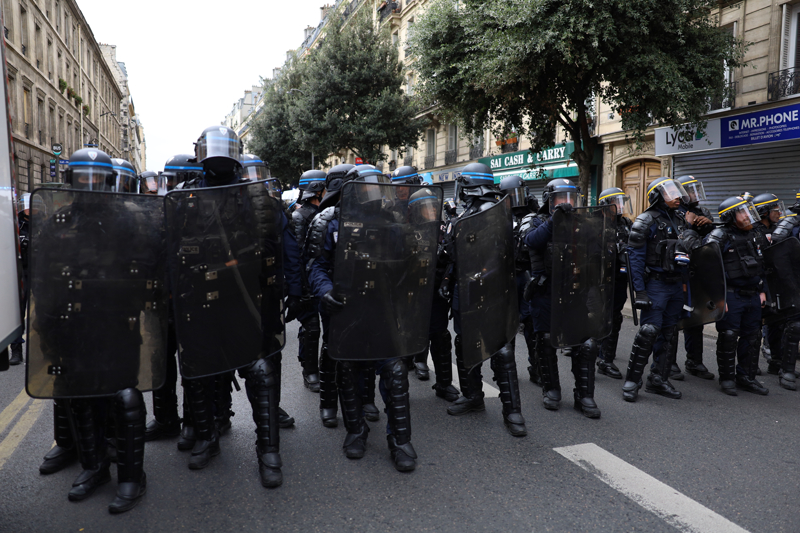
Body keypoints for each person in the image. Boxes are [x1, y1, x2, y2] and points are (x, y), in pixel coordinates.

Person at [30, 148, 159, 513]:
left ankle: (132, 475)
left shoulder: (129, 219)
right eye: (81, 177)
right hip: (73, 324)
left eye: (95, 178)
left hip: (116, 323)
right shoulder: (58, 222)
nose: (88, 185)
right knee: (80, 394)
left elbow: (147, 270)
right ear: (70, 180)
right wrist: (46, 321)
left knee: (124, 396)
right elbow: (44, 274)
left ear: (108, 181)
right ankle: (95, 466)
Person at [173, 126, 302, 488]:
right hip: (201, 297)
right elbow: (172, 246)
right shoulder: (187, 197)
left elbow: (276, 241)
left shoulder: (255, 196)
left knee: (259, 370)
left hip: (245, 298)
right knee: (200, 371)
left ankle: (268, 449)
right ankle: (207, 436)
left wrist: (289, 286)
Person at [307, 165, 427, 471]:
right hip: (347, 309)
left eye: (378, 186)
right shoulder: (330, 221)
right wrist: (324, 291)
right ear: (352, 190)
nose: (375, 192)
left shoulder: (392, 221)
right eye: (367, 187)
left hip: (383, 309)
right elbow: (316, 264)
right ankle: (356, 431)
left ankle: (400, 440)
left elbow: (407, 264)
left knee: (395, 371)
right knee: (349, 369)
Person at [438, 163, 527, 436]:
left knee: (500, 347)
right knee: (466, 343)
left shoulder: (492, 213)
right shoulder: (473, 212)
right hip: (465, 287)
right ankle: (473, 396)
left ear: (469, 186)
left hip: (489, 289)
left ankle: (512, 410)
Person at [523, 178, 603, 418]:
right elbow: (531, 241)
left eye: (571, 198)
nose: (567, 203)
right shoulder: (536, 220)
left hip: (574, 290)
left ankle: (584, 395)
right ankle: (551, 389)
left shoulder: (580, 223)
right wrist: (554, 220)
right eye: (560, 198)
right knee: (546, 340)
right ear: (549, 200)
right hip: (545, 291)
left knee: (585, 343)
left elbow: (595, 250)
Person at [622, 177, 704, 402]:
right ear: (658, 196)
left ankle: (659, 379)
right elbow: (634, 259)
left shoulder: (680, 218)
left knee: (669, 334)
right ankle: (632, 381)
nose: (677, 197)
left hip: (676, 284)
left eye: (677, 192)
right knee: (649, 332)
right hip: (656, 284)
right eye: (670, 193)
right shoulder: (645, 220)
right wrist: (639, 291)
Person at [705, 196, 769, 396]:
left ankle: (746, 377)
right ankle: (727, 378)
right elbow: (708, 268)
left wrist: (762, 291)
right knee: (729, 336)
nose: (747, 215)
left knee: (753, 337)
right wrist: (718, 298)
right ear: (730, 216)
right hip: (731, 295)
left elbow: (764, 265)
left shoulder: (755, 234)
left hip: (753, 295)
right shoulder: (719, 236)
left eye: (748, 211)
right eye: (742, 212)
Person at [499, 175, 540, 386]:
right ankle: (508, 369)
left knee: (531, 322)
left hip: (525, 274)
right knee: (508, 325)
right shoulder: (498, 216)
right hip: (505, 277)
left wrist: (537, 211)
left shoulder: (532, 216)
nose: (516, 199)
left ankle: (537, 368)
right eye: (512, 195)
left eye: (520, 194)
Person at [291, 169, 327, 393]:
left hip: (324, 278)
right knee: (312, 328)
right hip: (307, 282)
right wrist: (301, 288)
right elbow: (296, 255)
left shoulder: (328, 212)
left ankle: (326, 368)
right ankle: (310, 370)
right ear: (316, 189)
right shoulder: (299, 216)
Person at [595, 187, 634, 379]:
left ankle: (606, 358)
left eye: (621, 201)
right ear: (605, 205)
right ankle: (590, 353)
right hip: (598, 279)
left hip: (619, 278)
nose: (620, 206)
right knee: (597, 316)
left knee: (615, 317)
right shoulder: (595, 224)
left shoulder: (626, 223)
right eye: (616, 202)